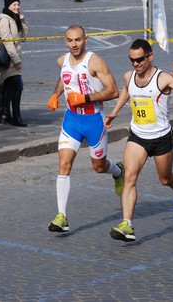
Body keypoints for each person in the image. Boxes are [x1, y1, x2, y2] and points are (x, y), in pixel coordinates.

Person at [105, 39, 173, 242]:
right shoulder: (129, 76)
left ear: (150, 56)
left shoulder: (163, 79)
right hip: (138, 136)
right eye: (132, 60)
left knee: (166, 179)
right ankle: (126, 224)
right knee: (129, 176)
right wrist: (114, 111)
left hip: (161, 138)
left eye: (139, 60)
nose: (135, 64)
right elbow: (127, 91)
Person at [46, 25, 123, 233]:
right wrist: (55, 95)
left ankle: (118, 171)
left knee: (99, 167)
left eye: (78, 40)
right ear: (65, 41)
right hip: (71, 120)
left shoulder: (95, 62)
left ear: (85, 40)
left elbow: (114, 91)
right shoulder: (62, 61)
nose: (74, 44)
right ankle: (61, 217)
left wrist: (86, 98)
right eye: (70, 40)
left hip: (93, 120)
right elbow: (64, 78)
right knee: (64, 164)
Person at [0, 0, 29, 127]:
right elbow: (8, 42)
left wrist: (23, 20)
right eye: (14, 4)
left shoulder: (15, 19)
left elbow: (24, 37)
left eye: (18, 4)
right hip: (8, 59)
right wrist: (16, 60)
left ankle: (6, 114)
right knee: (17, 86)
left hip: (14, 57)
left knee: (10, 87)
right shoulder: (3, 19)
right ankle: (15, 116)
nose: (17, 7)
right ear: (8, 5)